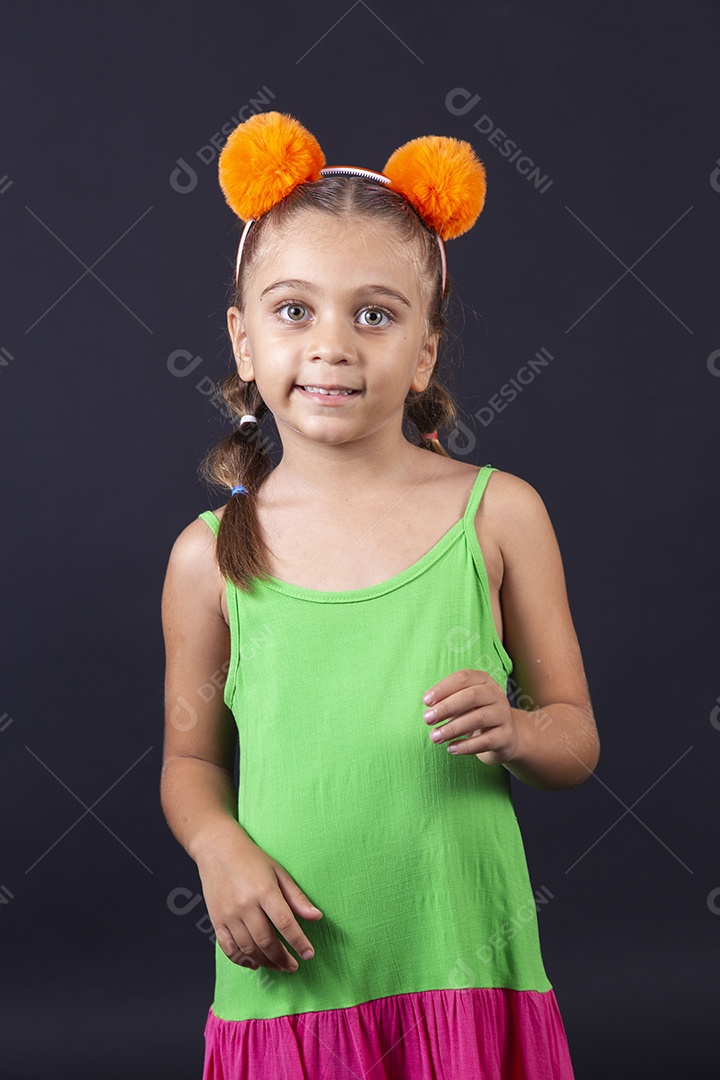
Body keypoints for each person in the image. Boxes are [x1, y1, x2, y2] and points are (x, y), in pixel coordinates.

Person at [160, 111, 600, 1080]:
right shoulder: (208, 559)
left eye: (375, 313)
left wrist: (521, 732)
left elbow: (574, 738)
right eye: (292, 311)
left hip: (463, 978)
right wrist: (218, 848)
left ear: (426, 349)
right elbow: (188, 762)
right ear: (241, 340)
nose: (332, 344)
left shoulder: (499, 515)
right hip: (296, 989)